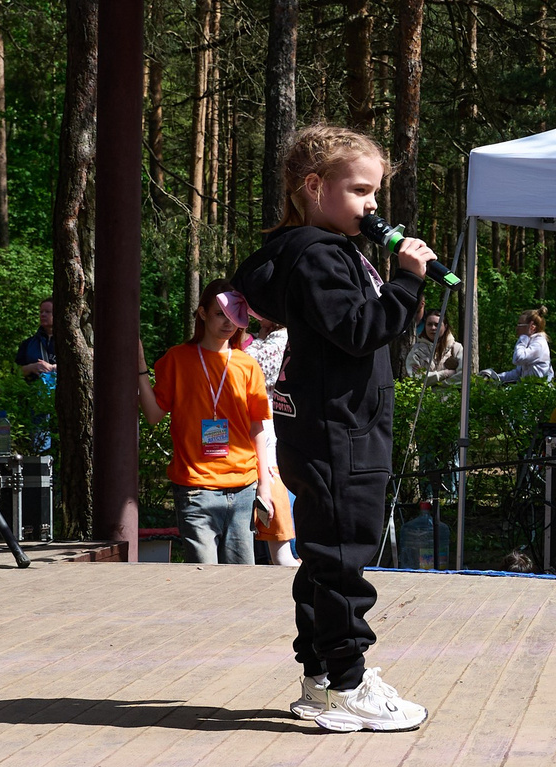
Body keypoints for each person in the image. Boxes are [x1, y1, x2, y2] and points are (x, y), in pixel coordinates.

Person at [231, 124, 432, 732]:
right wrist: (406, 282)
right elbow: (358, 328)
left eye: (376, 193)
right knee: (343, 555)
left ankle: (321, 675)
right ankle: (348, 681)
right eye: (360, 190)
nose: (373, 206)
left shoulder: (317, 250)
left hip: (329, 425)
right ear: (314, 187)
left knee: (323, 556)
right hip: (340, 429)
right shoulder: (317, 253)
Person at [140, 280, 272, 567]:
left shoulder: (247, 365)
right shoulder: (177, 358)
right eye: (219, 314)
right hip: (195, 488)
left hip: (243, 488)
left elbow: (257, 429)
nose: (228, 323)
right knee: (203, 580)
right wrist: (139, 370)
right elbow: (153, 415)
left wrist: (265, 486)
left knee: (240, 583)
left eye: (235, 316)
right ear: (201, 313)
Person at [398, 311, 464, 383]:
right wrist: (445, 374)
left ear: (445, 326)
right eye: (429, 324)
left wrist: (435, 385)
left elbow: (462, 376)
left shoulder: (456, 348)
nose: (433, 328)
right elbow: (416, 379)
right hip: (425, 394)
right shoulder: (416, 351)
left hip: (450, 394)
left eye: (437, 325)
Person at [493, 309, 553, 384]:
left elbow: (517, 358)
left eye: (520, 324)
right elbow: (518, 373)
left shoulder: (539, 344)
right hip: (528, 388)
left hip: (538, 391)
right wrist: (495, 377)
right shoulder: (529, 342)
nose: (517, 328)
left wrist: (524, 337)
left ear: (532, 327)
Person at [17, 296, 57, 385]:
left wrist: (52, 368)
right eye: (41, 312)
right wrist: (31, 368)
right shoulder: (28, 344)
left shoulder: (70, 343)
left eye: (47, 312)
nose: (43, 315)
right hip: (33, 393)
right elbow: (15, 371)